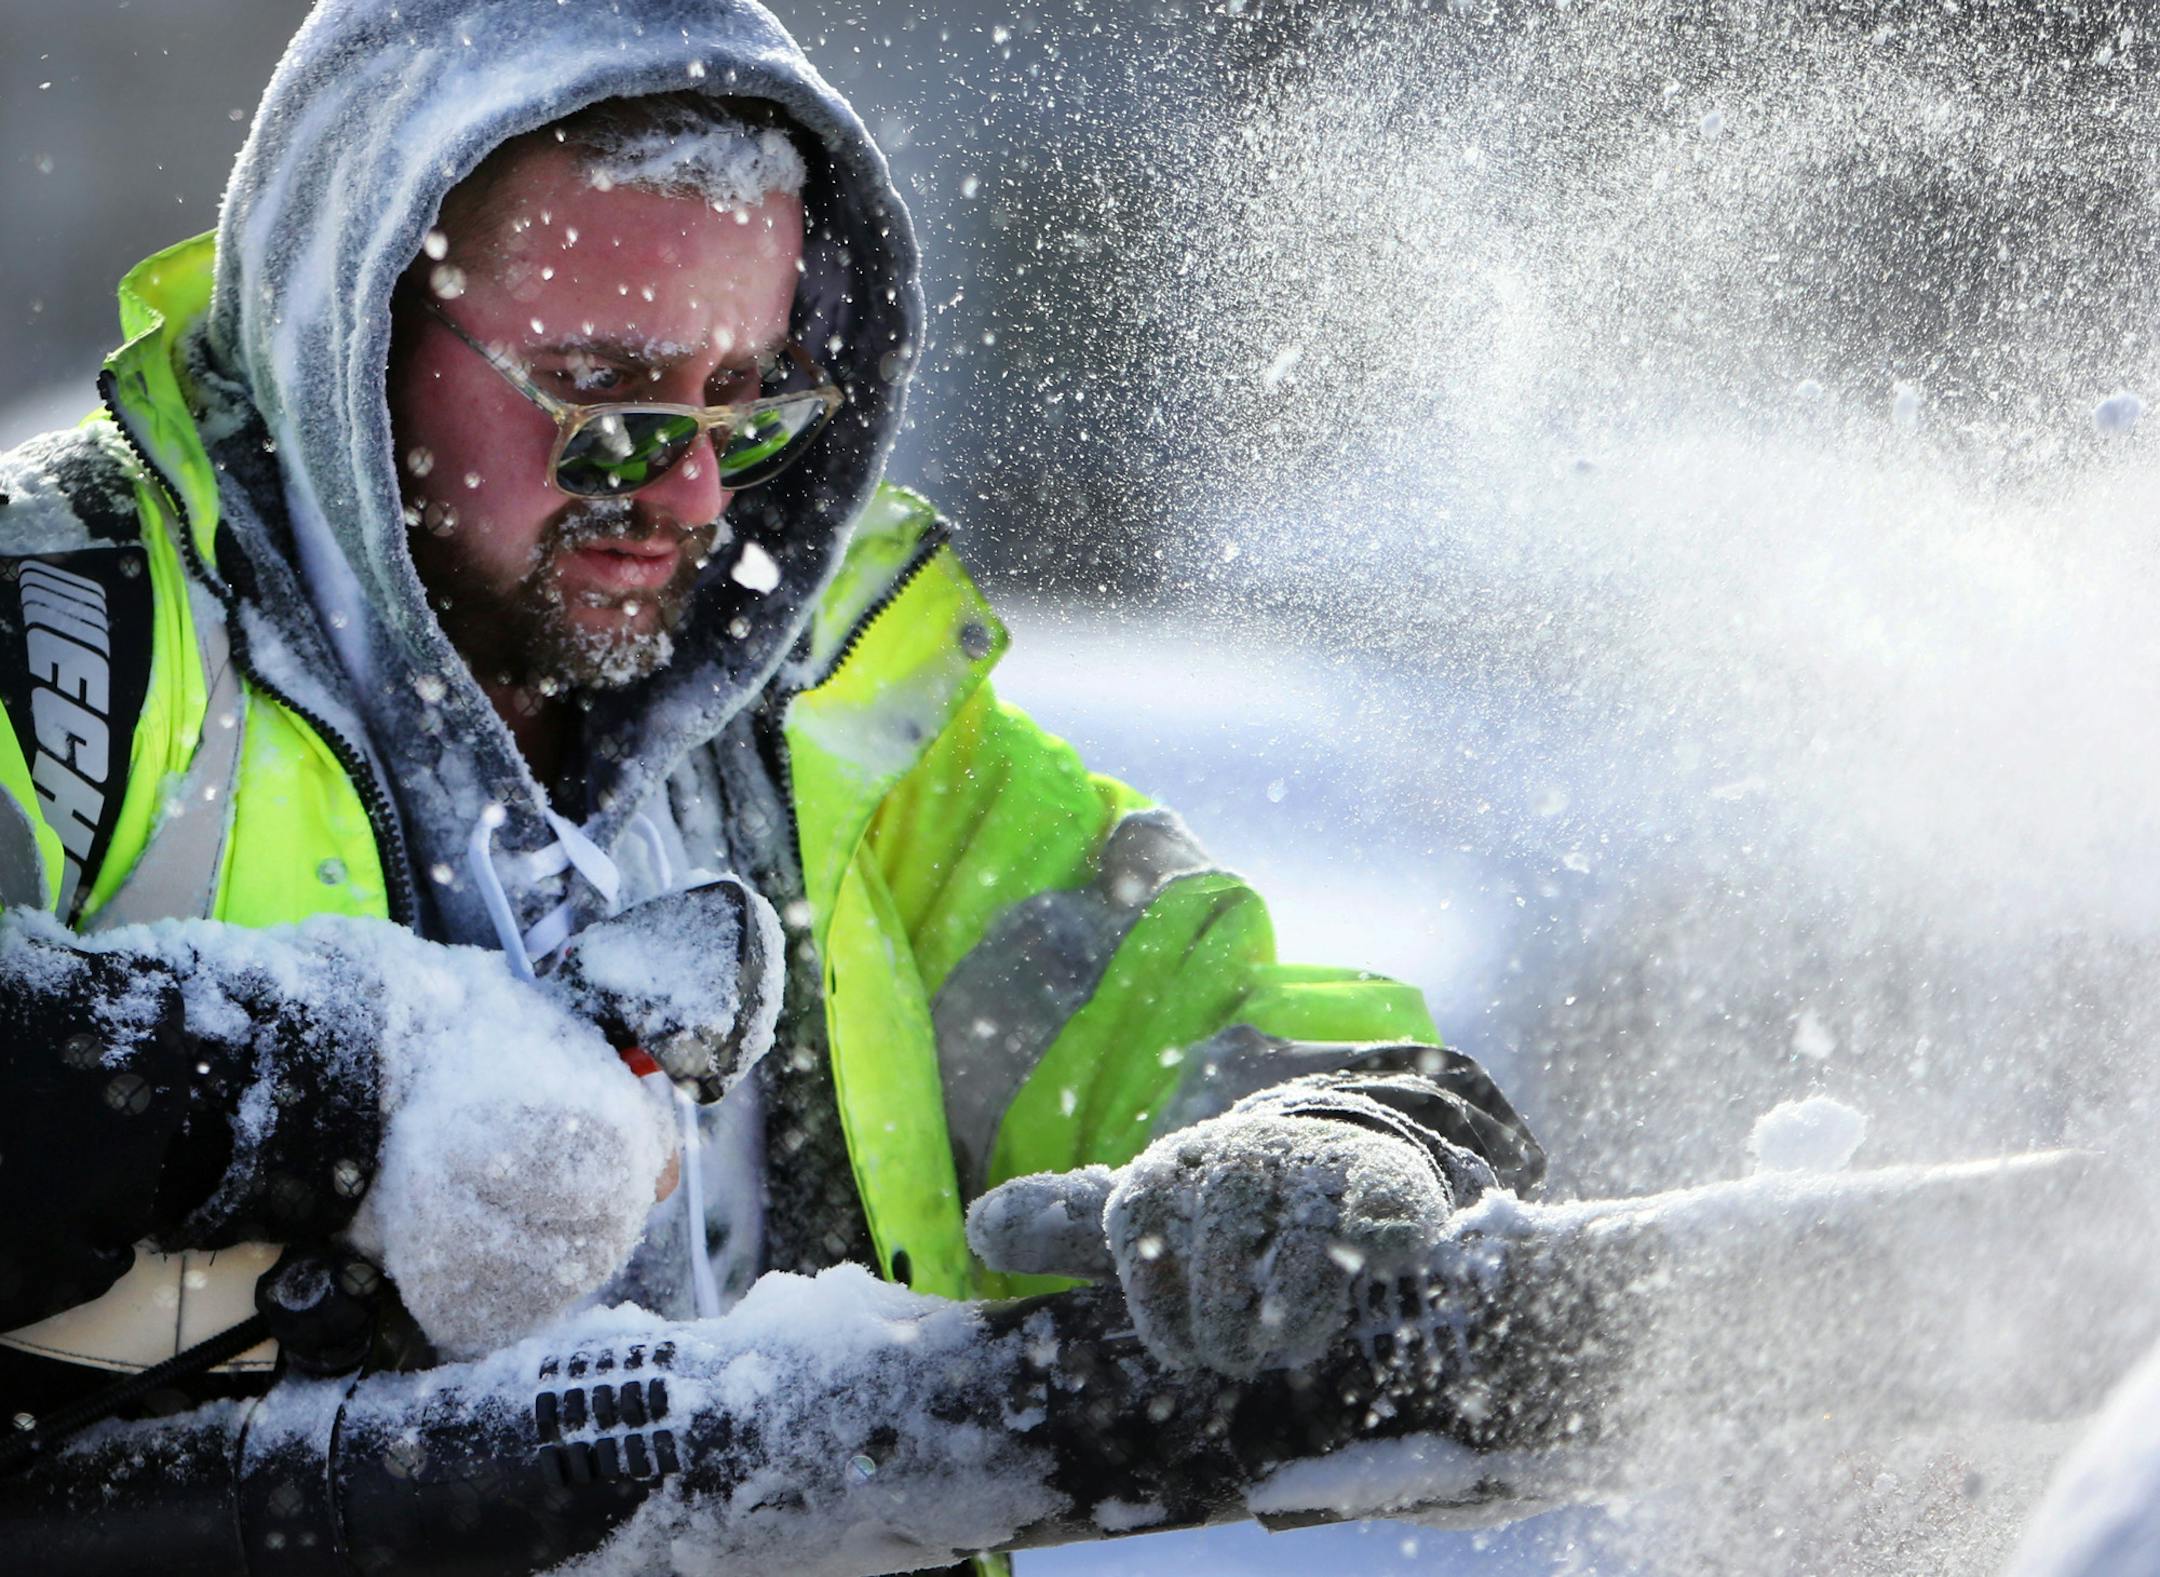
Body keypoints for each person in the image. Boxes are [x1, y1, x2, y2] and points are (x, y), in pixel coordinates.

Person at [0, 0, 1541, 1473]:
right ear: (350, 316)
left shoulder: (833, 719)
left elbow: (1219, 1017)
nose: (688, 498)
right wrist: (337, 1087)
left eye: (745, 407)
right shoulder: (67, 635)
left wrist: (1340, 1132)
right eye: (606, 401)